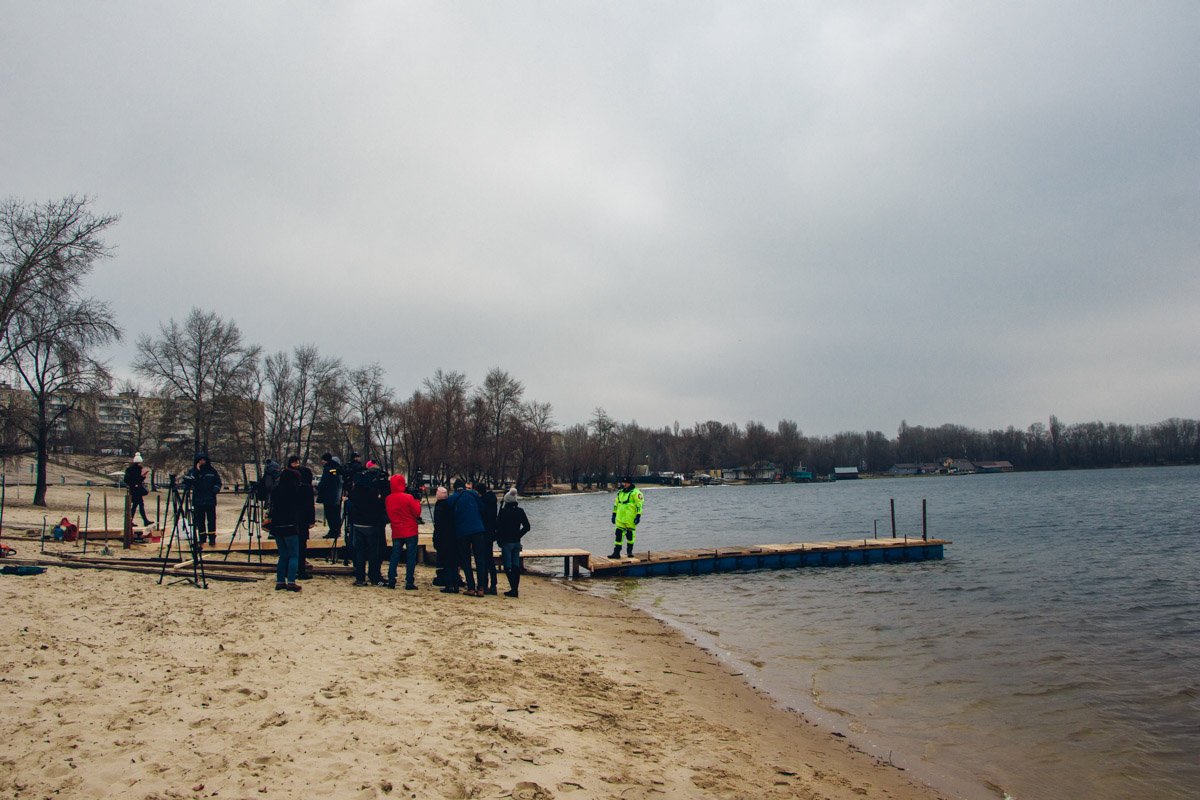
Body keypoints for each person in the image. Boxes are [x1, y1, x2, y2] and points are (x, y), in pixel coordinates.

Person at [348, 458, 390, 586]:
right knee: (374, 552)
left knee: (360, 552)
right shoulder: (375, 489)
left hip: (358, 522)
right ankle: (374, 576)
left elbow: (352, 499)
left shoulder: (358, 486)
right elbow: (382, 502)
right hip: (372, 523)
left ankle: (360, 577)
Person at [447, 478, 487, 596]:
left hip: (462, 532)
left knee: (466, 560)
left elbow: (450, 516)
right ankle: (481, 588)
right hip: (478, 529)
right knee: (480, 559)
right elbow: (482, 508)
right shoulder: (473, 494)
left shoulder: (452, 498)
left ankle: (471, 587)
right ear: (464, 487)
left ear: (454, 488)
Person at [268, 461, 303, 592]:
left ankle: (280, 580)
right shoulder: (295, 491)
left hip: (277, 525)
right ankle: (291, 581)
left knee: (283, 555)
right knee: (294, 555)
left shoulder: (276, 490)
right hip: (290, 525)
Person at [385, 473, 422, 589]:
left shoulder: (388, 499)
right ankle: (409, 581)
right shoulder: (408, 498)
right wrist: (417, 501)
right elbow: (417, 513)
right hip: (410, 530)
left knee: (395, 555)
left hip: (397, 530)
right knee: (410, 556)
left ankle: (391, 579)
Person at [495, 488, 531, 597]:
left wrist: (499, 540)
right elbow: (527, 527)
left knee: (507, 567)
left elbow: (498, 527)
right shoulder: (520, 511)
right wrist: (518, 535)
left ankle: (513, 589)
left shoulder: (503, 512)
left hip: (506, 542)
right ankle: (515, 589)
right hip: (516, 542)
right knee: (516, 566)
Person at [184, 453, 222, 547]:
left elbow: (218, 482)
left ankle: (212, 538)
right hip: (198, 500)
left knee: (211, 520)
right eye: (200, 460)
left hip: (210, 499)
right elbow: (189, 481)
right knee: (200, 521)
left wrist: (215, 490)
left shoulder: (212, 471)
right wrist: (197, 470)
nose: (202, 462)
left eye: (203, 460)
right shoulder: (193, 471)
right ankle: (202, 538)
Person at [610, 475, 644, 558]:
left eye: (626, 483)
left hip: (630, 518)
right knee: (618, 534)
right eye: (623, 482)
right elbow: (616, 504)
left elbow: (639, 505)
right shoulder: (620, 493)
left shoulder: (636, 493)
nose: (624, 484)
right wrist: (614, 514)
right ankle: (616, 553)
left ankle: (629, 552)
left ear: (630, 483)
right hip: (620, 518)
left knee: (630, 535)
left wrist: (638, 516)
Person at [476, 480, 499, 594]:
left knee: (483, 559)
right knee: (490, 559)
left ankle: (485, 583)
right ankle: (493, 584)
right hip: (491, 531)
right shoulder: (492, 500)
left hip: (483, 532)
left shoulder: (482, 502)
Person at [431, 486, 456, 588]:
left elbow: (438, 524)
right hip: (451, 535)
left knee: (443, 558)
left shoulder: (439, 507)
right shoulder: (449, 505)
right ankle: (453, 579)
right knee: (450, 558)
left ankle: (444, 579)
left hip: (442, 536)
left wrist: (436, 537)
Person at [295, 458, 317, 580]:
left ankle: (290, 569)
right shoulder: (307, 489)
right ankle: (301, 571)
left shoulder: (292, 487)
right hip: (302, 520)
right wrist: (311, 521)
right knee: (301, 546)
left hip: (292, 520)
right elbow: (310, 506)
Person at [316, 453, 343, 540]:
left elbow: (324, 482)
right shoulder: (337, 469)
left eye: (323, 460)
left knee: (330, 514)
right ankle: (337, 530)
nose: (322, 462)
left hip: (329, 496)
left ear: (325, 460)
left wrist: (318, 487)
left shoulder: (327, 469)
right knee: (336, 514)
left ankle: (333, 531)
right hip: (336, 496)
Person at [124, 453, 152, 527]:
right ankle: (144, 520)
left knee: (136, 505)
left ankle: (132, 521)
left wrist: (132, 484)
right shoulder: (138, 469)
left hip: (133, 489)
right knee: (139, 505)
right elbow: (138, 480)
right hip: (137, 490)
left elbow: (126, 480)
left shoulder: (129, 470)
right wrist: (143, 477)